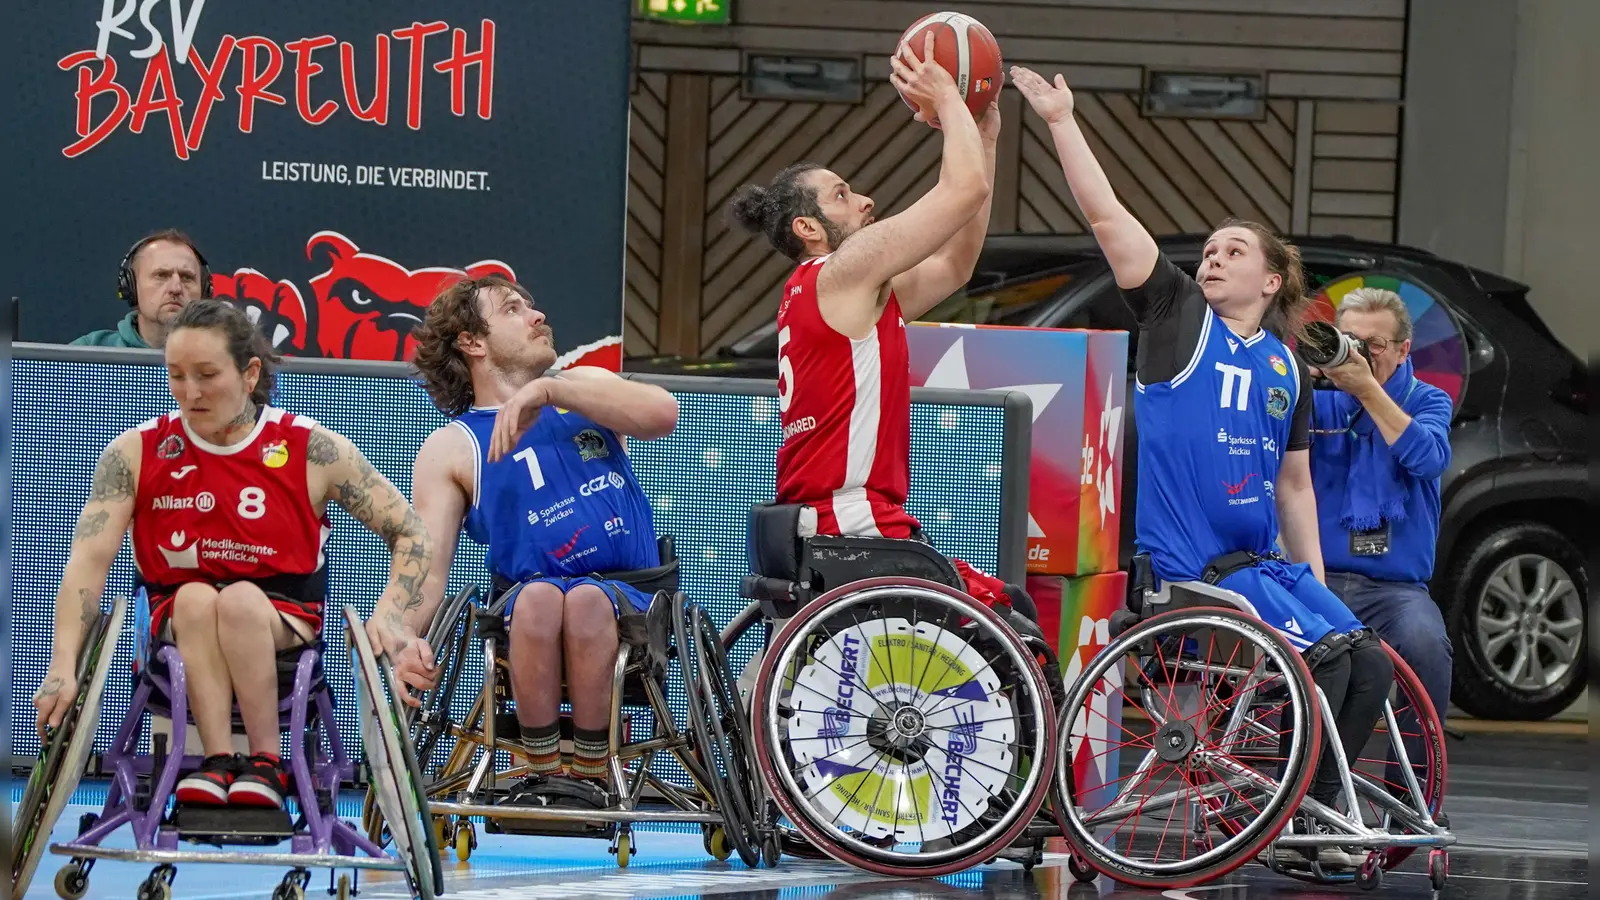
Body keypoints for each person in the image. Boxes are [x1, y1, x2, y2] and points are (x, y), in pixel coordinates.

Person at [1012, 66, 1393, 867]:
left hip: (1262, 570)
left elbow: (1295, 488)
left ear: (1271, 279)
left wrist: (1317, 585)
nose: (1213, 259)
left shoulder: (1285, 366)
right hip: (1190, 572)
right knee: (1326, 660)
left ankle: (1316, 811)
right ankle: (1303, 818)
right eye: (1210, 250)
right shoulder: (1179, 316)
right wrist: (1060, 121)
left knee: (1368, 659)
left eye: (1233, 251)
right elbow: (1107, 216)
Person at [33, 299, 431, 810]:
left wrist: (391, 613)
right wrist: (63, 664)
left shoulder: (313, 449)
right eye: (176, 375)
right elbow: (88, 563)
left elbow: (410, 533)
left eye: (206, 375)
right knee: (197, 599)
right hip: (179, 620)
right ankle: (218, 760)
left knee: (239, 601)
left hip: (282, 619)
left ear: (249, 374)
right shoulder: (135, 453)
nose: (190, 392)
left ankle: (267, 761)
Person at [725, 34, 1029, 615]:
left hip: (834, 516)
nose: (865, 200)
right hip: (851, 518)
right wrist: (948, 96)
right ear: (808, 228)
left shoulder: (836, 290)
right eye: (842, 195)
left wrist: (984, 139)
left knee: (1004, 609)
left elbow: (955, 265)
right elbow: (963, 190)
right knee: (1011, 619)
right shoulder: (843, 271)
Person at [377, 273, 678, 805]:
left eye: (531, 306)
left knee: (585, 600)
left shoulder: (582, 388)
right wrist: (400, 637)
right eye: (513, 309)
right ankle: (539, 770)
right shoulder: (451, 447)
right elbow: (428, 567)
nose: (538, 316)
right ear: (472, 341)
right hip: (527, 604)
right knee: (540, 597)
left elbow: (663, 414)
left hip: (627, 597)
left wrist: (550, 389)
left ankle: (590, 768)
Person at [1309, 288, 1454, 721]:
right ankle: (1291, 763)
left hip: (1394, 590)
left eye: (1373, 344)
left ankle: (1414, 767)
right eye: (1350, 340)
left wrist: (1368, 391)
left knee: (1428, 647)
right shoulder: (1316, 398)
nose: (1359, 354)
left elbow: (1429, 459)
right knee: (1279, 653)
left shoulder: (1427, 399)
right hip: (1317, 578)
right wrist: (1298, 376)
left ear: (1403, 349)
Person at [72, 229, 212, 349]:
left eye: (187, 277)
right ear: (131, 286)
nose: (176, 288)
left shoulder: (222, 356)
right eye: (161, 275)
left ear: (204, 291)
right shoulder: (90, 350)